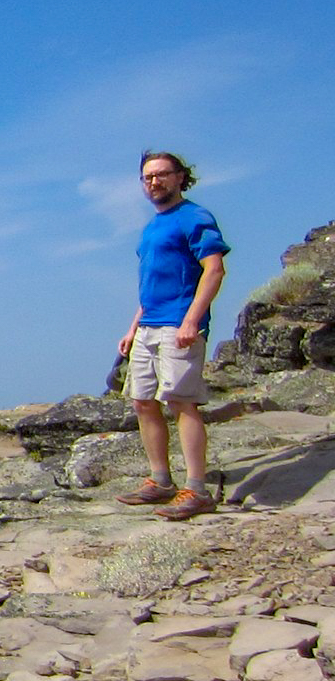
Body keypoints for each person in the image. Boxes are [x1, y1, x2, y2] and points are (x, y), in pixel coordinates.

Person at [116, 150, 229, 521]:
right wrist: (133, 328)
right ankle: (161, 481)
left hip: (178, 324)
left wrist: (191, 321)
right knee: (142, 402)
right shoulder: (152, 226)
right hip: (149, 325)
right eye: (148, 177)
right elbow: (151, 285)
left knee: (181, 401)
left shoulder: (194, 217)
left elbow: (214, 270)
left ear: (180, 177)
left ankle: (197, 489)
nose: (154, 182)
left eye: (162, 174)